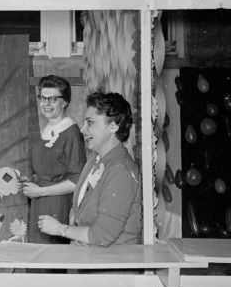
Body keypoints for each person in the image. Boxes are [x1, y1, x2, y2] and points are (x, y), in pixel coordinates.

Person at [37, 92, 142, 246]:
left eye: (90, 123)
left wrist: (60, 229)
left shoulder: (121, 171)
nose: (82, 129)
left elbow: (101, 236)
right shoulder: (95, 159)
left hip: (113, 266)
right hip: (89, 261)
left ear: (113, 126)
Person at [22, 75, 86, 244]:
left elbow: (77, 180)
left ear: (64, 102)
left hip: (57, 205)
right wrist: (32, 180)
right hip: (39, 202)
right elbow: (50, 168)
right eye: (42, 98)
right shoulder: (48, 127)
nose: (46, 103)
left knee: (50, 257)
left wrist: (41, 191)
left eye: (52, 99)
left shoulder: (71, 133)